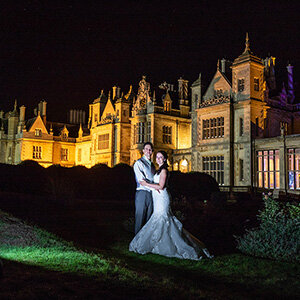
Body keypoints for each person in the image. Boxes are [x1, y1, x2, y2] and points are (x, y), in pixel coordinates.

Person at [129, 150, 213, 260]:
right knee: (158, 218)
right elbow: (157, 185)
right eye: (157, 157)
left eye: (161, 157)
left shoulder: (164, 170)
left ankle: (174, 246)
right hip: (157, 198)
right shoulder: (159, 170)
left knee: (163, 219)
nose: (158, 159)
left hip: (162, 198)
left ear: (164, 159)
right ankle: (158, 242)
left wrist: (146, 184)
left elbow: (161, 186)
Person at [133, 142, 156, 234]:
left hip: (152, 193)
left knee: (149, 218)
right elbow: (141, 181)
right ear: (143, 151)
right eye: (146, 149)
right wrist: (156, 186)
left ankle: (145, 243)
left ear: (152, 151)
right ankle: (136, 244)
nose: (148, 151)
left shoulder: (152, 165)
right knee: (140, 218)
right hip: (142, 193)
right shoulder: (139, 163)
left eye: (150, 149)